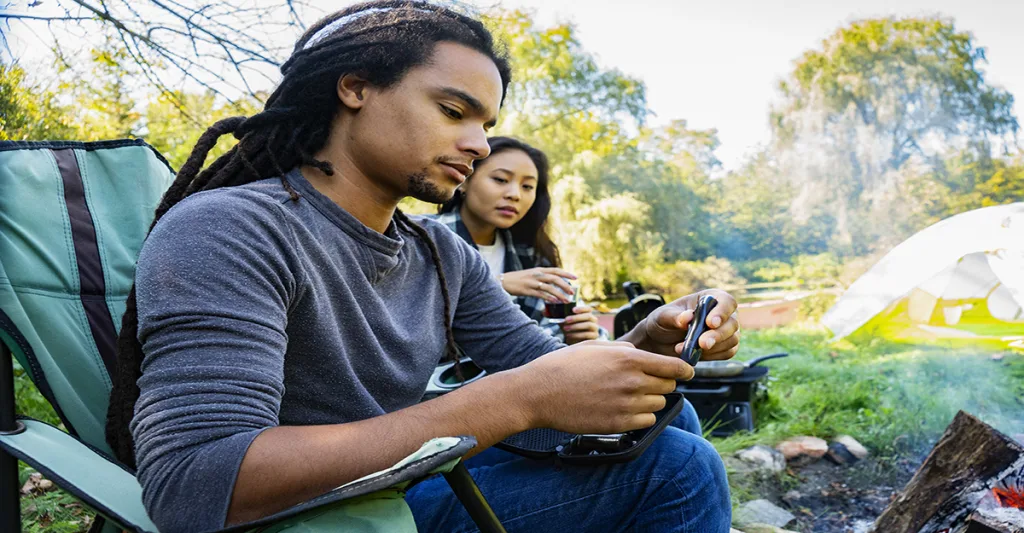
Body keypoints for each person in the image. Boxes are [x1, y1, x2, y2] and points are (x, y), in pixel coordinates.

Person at [106, 2, 740, 532]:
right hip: (308, 515)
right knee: (679, 469)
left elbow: (543, 376)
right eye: (453, 111)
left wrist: (639, 345)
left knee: (669, 419)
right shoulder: (231, 228)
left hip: (394, 481)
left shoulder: (440, 253)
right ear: (354, 87)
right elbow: (193, 484)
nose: (481, 144)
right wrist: (511, 401)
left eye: (487, 124)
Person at [435, 136, 603, 344]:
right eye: (501, 180)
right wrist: (497, 284)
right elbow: (401, 314)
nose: (515, 195)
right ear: (464, 181)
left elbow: (546, 333)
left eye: (527, 187)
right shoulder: (420, 237)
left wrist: (580, 334)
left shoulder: (531, 254)